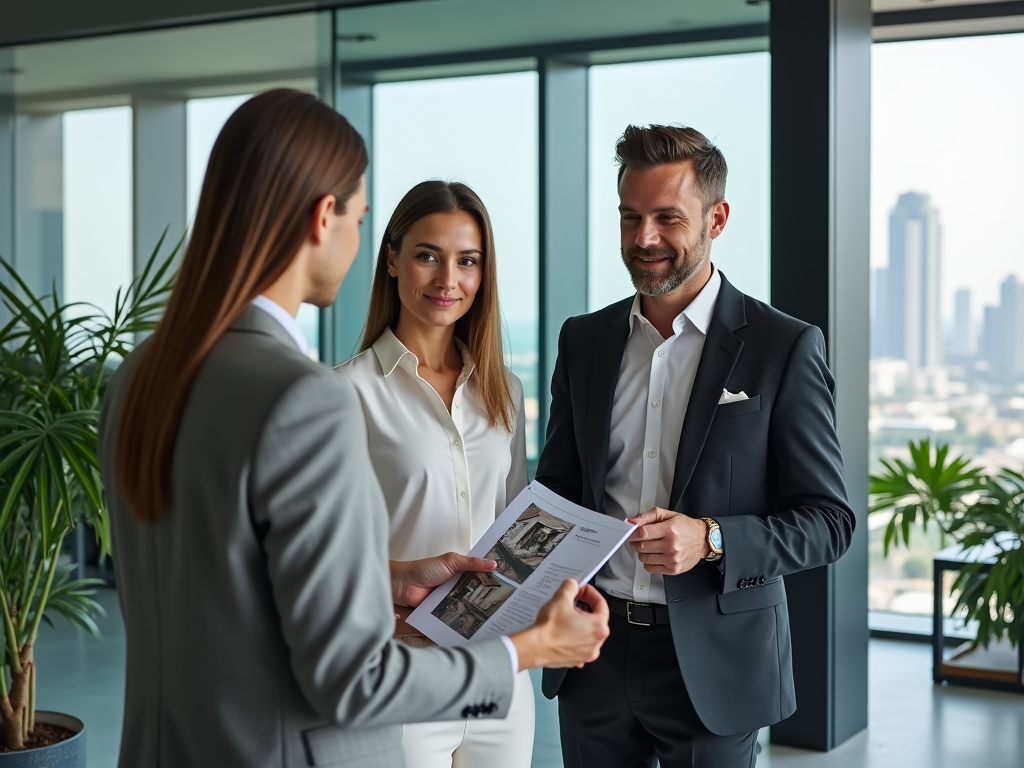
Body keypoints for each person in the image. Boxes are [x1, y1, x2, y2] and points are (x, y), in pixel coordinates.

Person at [97, 89, 609, 768]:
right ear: (323, 216)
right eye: (362, 218)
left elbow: (232, 579)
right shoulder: (308, 397)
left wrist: (389, 578)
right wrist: (534, 649)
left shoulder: (137, 376)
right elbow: (353, 679)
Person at [535, 124, 856, 768]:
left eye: (666, 218)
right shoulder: (584, 341)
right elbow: (559, 493)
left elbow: (829, 522)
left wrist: (710, 538)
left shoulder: (783, 347)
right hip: (592, 651)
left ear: (718, 217)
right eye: (630, 217)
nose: (643, 239)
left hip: (717, 665)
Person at [336, 181, 534, 768]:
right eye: (428, 255)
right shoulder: (345, 394)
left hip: (498, 668)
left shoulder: (504, 391)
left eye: (467, 261)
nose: (449, 280)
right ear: (392, 259)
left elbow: (515, 520)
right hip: (397, 667)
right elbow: (321, 553)